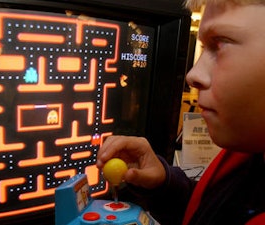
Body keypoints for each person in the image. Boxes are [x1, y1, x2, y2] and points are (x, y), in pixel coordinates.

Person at [96, 0, 265, 224]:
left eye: (221, 44)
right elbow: (215, 211)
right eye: (205, 48)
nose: (192, 75)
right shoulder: (248, 153)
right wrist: (164, 183)